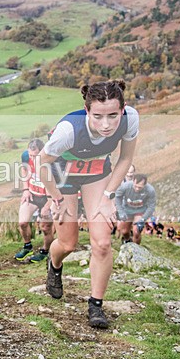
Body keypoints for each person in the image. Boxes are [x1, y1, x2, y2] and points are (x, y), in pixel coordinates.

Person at [37, 80, 138, 329]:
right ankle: (55, 263)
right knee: (68, 243)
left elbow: (125, 158)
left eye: (113, 115)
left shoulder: (131, 119)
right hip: (63, 176)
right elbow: (42, 164)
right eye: (98, 116)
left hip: (97, 174)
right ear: (87, 110)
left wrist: (108, 197)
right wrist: (55, 198)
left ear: (122, 110)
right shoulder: (68, 130)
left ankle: (96, 305)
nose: (106, 124)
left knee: (102, 242)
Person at [14, 138, 54, 263]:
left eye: (35, 155)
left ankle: (45, 251)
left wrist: (49, 203)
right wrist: (25, 189)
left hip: (47, 197)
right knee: (22, 222)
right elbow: (24, 170)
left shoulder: (52, 161)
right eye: (31, 155)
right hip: (32, 194)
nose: (32, 158)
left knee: (46, 227)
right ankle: (27, 247)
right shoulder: (26, 156)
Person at [115, 173, 156, 245]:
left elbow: (151, 206)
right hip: (127, 209)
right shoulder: (125, 186)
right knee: (124, 231)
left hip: (140, 210)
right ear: (133, 181)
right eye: (135, 186)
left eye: (140, 187)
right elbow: (118, 197)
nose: (137, 189)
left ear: (145, 185)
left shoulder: (150, 190)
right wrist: (121, 211)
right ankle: (127, 240)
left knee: (136, 231)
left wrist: (143, 218)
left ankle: (136, 250)